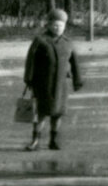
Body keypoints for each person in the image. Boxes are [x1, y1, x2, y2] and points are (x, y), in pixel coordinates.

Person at [23, 8, 83, 151]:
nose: (57, 28)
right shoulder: (40, 41)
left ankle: (53, 140)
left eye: (60, 25)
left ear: (65, 26)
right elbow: (30, 61)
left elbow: (75, 63)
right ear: (48, 25)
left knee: (57, 113)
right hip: (43, 84)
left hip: (61, 85)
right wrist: (29, 80)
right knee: (41, 114)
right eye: (55, 25)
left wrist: (77, 80)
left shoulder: (68, 43)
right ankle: (35, 141)